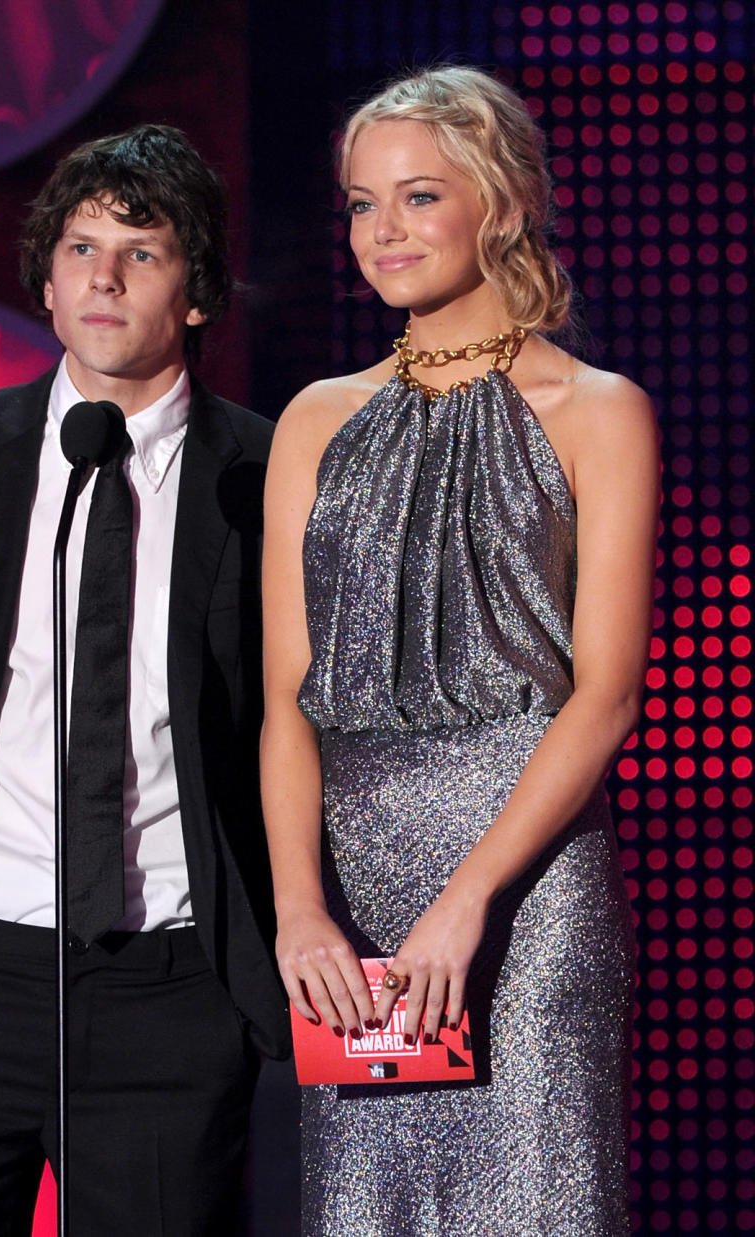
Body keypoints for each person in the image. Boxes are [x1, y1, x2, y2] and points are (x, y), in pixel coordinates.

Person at [0, 124, 289, 1236]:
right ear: (44, 275)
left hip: (171, 996)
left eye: (141, 250)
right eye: (80, 248)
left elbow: (296, 727)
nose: (104, 278)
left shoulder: (267, 471)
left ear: (200, 290)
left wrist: (241, 991)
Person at [261, 66, 657, 1234]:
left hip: (528, 889)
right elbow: (289, 700)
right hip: (354, 905)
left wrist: (470, 897)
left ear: (504, 200)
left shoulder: (596, 408)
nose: (383, 232)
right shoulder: (317, 417)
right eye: (360, 203)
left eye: (419, 196)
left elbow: (606, 694)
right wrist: (299, 909)